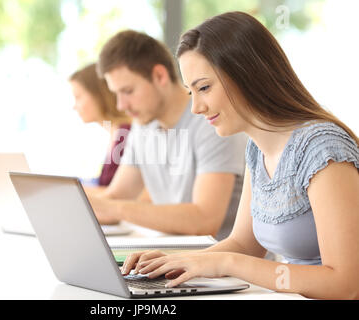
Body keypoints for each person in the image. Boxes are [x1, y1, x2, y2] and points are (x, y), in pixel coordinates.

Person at [121, 12, 359, 300]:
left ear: (247, 75)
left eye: (204, 88)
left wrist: (226, 262)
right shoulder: (257, 148)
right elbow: (244, 245)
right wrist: (178, 261)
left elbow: (347, 284)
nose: (195, 108)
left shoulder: (323, 149)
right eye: (190, 92)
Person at [88, 30, 247, 239]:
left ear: (159, 76)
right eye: (116, 93)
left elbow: (205, 221)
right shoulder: (143, 124)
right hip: (176, 258)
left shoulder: (212, 120)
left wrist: (116, 208)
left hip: (222, 266)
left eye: (127, 91)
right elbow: (117, 196)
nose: (121, 105)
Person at [69, 63, 131, 189]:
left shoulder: (125, 133)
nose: (74, 106)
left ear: (98, 96)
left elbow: (117, 194)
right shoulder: (116, 131)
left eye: (78, 97)